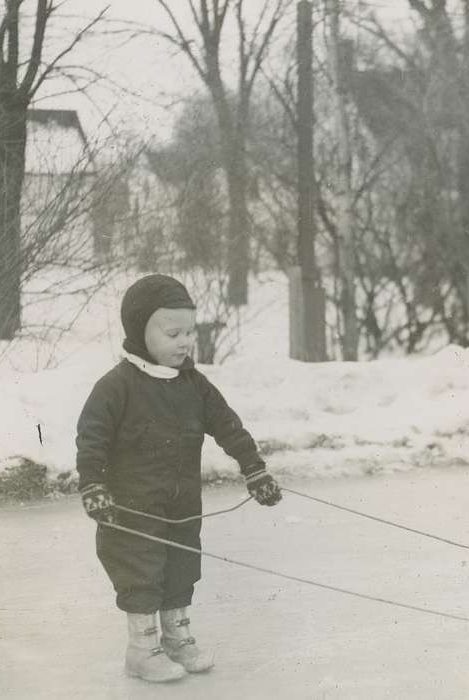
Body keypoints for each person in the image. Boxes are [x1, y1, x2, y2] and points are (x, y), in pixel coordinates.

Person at [75, 274, 283, 683]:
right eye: (173, 333)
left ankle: (175, 638)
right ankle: (142, 648)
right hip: (130, 507)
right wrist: (93, 485)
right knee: (140, 571)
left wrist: (254, 468)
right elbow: (92, 440)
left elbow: (228, 426)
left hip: (182, 502)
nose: (185, 341)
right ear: (140, 330)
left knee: (182, 567)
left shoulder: (194, 385)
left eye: (190, 331)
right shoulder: (116, 387)